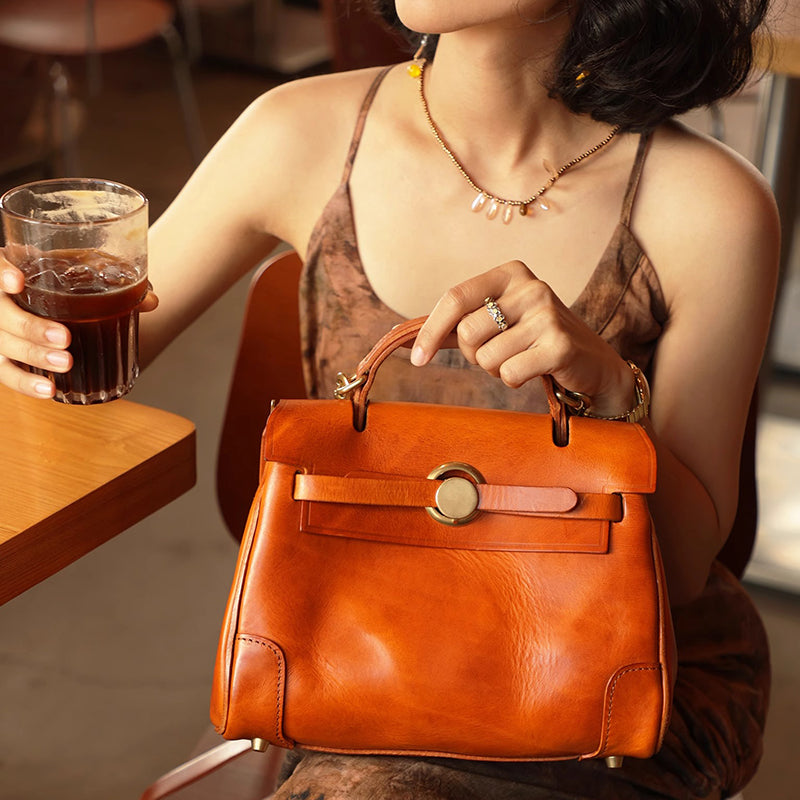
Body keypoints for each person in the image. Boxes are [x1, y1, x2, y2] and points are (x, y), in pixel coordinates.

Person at [0, 1, 777, 797]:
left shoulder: (710, 207)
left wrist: (610, 392)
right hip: (364, 647)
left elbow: (681, 574)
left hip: (613, 677)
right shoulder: (298, 134)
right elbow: (77, 365)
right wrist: (17, 333)